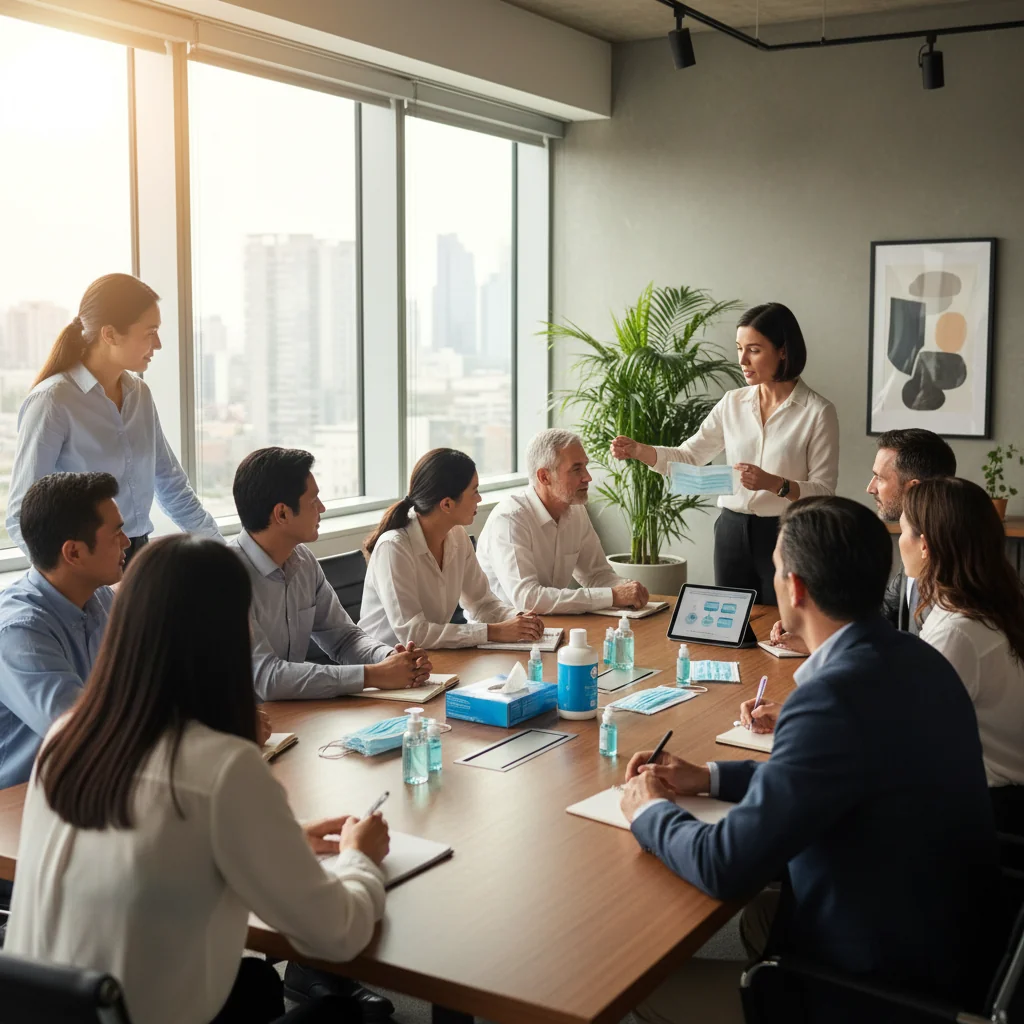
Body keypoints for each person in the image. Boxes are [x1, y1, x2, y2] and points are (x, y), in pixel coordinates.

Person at [619, 497, 998, 1023]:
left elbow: (723, 864)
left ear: (794, 588)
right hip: (945, 936)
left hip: (871, 989)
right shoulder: (918, 658)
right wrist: (708, 776)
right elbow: (825, 776)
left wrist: (647, 810)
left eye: (775, 569)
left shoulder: (831, 697)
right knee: (754, 918)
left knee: (637, 986)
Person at [5, 536, 392, 1024]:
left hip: (48, 1009)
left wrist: (284, 841)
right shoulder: (222, 767)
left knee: (252, 986)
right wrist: (361, 856)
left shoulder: (68, 736)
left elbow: (148, 843)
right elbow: (337, 934)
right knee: (345, 1015)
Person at [612, 303, 838, 603]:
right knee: (729, 626)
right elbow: (690, 455)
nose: (742, 360)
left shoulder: (818, 412)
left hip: (787, 534)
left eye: (754, 350)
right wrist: (641, 451)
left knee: (782, 628)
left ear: (783, 351)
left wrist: (774, 483)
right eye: (739, 348)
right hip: (731, 531)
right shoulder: (732, 402)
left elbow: (824, 492)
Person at [5, 273, 220, 562]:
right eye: (149, 332)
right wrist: (68, 582)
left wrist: (224, 553)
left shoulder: (140, 394)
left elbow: (172, 486)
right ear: (109, 334)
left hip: (136, 556)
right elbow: (22, 516)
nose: (158, 344)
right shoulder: (53, 401)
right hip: (83, 564)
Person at [231, 447, 432, 701]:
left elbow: (344, 639)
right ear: (282, 513)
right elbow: (267, 678)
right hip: (237, 727)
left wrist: (391, 658)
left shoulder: (303, 561)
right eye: (313, 501)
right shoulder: (225, 577)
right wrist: (372, 675)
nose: (322, 508)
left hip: (291, 716)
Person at [900, 477, 1024, 836]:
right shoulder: (986, 604)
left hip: (988, 809)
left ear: (925, 545)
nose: (899, 542)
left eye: (904, 531)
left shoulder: (958, 632)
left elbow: (904, 734)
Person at [767, 426, 956, 654]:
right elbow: (883, 614)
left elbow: (920, 654)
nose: (870, 488)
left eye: (880, 478)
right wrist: (812, 625)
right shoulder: (916, 546)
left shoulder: (951, 572)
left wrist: (824, 642)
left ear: (914, 488)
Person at [0, 472, 128, 791]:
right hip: (23, 803)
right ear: (73, 553)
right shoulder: (19, 631)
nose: (127, 542)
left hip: (90, 785)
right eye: (117, 534)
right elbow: (82, 728)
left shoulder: (100, 599)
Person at [360, 448, 545, 648]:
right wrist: (495, 632)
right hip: (384, 667)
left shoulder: (457, 536)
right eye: (474, 491)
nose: (479, 499)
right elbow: (415, 633)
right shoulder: (394, 548)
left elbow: (482, 604)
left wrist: (519, 619)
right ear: (447, 504)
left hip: (431, 661)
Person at [476, 428, 649, 614]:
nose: (587, 477)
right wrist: (613, 596)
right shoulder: (510, 520)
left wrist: (628, 588)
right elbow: (527, 599)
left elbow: (596, 574)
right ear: (544, 477)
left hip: (548, 628)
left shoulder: (575, 510)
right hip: (501, 634)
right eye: (576, 469)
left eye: (585, 466)